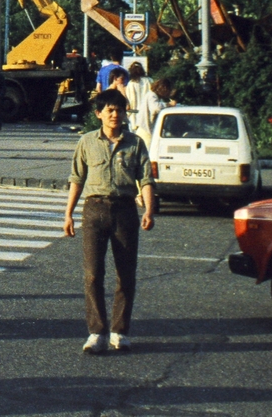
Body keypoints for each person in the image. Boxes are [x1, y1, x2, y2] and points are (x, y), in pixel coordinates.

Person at [64, 88, 155, 354]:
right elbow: (76, 178)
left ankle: (120, 331)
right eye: (110, 110)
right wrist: (68, 213)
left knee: (125, 274)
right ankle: (97, 332)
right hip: (94, 210)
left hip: (125, 210)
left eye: (119, 110)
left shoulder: (135, 143)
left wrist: (149, 210)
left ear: (126, 113)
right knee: (93, 274)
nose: (115, 115)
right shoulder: (87, 142)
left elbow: (146, 179)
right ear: (99, 114)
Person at [133, 78, 174, 143]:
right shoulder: (152, 95)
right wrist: (168, 104)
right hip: (145, 131)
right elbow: (155, 108)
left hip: (147, 130)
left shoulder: (154, 97)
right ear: (164, 88)